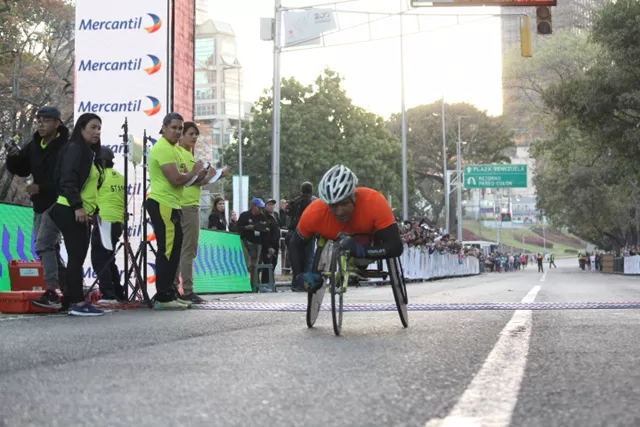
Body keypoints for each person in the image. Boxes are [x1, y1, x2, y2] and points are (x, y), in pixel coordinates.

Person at [288, 165, 403, 292]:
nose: (339, 211)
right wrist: (299, 276)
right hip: (334, 235)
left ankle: (359, 257)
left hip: (368, 238)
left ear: (354, 196)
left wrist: (363, 251)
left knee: (363, 252)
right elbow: (295, 244)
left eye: (344, 203)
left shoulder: (374, 202)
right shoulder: (314, 213)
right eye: (333, 206)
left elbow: (396, 246)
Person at [6, 106, 69, 309]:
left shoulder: (65, 147)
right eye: (39, 120)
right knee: (49, 248)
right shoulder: (34, 144)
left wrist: (41, 187)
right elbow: (21, 169)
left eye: (46, 120)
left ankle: (51, 291)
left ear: (57, 123)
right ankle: (68, 292)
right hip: (40, 203)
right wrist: (13, 156)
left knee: (43, 245)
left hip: (59, 202)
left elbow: (66, 179)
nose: (41, 124)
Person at [48, 113, 105, 316]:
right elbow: (67, 180)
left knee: (77, 258)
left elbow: (90, 187)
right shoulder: (75, 149)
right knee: (75, 258)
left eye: (99, 128)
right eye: (93, 127)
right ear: (81, 128)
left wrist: (91, 211)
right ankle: (77, 303)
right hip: (69, 209)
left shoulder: (89, 152)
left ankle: (77, 301)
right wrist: (78, 206)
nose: (97, 132)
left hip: (81, 212)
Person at [147, 113, 204, 310]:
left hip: (174, 204)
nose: (177, 132)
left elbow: (187, 179)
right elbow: (177, 179)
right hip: (163, 203)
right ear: (163, 128)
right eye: (173, 128)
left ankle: (170, 292)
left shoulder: (176, 150)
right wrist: (195, 171)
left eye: (180, 128)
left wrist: (199, 175)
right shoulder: (163, 148)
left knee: (175, 250)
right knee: (168, 250)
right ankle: (163, 296)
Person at [173, 122, 220, 305]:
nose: (194, 137)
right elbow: (190, 180)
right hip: (187, 205)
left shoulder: (187, 155)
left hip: (187, 204)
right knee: (188, 250)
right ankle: (187, 291)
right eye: (190, 133)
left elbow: (195, 180)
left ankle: (178, 288)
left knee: (184, 249)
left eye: (196, 135)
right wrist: (207, 175)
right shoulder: (181, 155)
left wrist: (210, 175)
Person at [89, 146, 125, 303]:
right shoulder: (121, 177)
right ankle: (118, 293)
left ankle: (108, 295)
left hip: (104, 220)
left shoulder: (99, 175)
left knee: (98, 259)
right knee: (109, 259)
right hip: (117, 222)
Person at [237, 198, 269, 288]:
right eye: (259, 208)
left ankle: (253, 285)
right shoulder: (244, 215)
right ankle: (244, 284)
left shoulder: (262, 217)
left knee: (254, 266)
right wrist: (247, 228)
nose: (261, 210)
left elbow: (266, 229)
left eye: (262, 208)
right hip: (245, 241)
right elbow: (238, 228)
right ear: (253, 206)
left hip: (257, 243)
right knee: (246, 263)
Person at [261, 198, 281, 284]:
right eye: (269, 205)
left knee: (274, 263)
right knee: (267, 263)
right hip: (268, 244)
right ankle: (265, 283)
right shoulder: (264, 217)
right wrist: (269, 246)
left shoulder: (276, 215)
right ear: (265, 206)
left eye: (272, 205)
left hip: (276, 243)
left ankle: (270, 282)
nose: (271, 206)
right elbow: (264, 234)